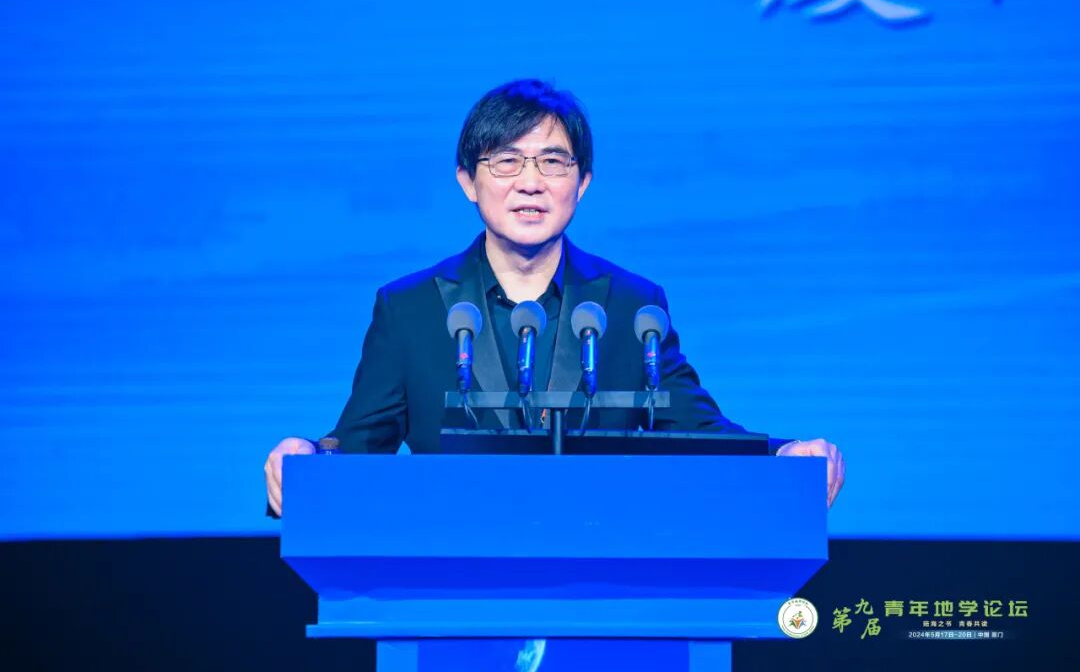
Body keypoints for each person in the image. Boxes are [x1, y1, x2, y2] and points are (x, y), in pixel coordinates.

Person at [264, 79, 845, 517]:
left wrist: (784, 456)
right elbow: (359, 446)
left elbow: (696, 430)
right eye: (505, 161)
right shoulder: (409, 308)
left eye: (552, 161)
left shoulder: (631, 306)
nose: (530, 182)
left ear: (582, 182)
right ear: (467, 181)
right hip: (451, 574)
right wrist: (306, 456)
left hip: (600, 579)